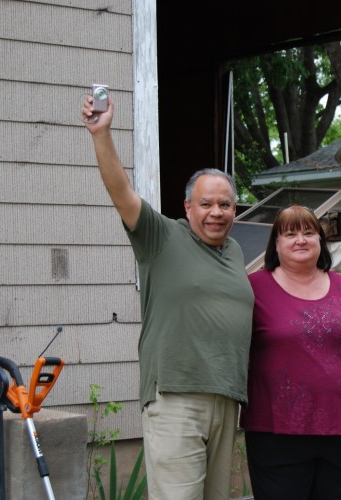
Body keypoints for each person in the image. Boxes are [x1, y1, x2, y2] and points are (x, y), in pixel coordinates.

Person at [82, 95, 254, 499]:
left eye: (225, 204)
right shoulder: (161, 236)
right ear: (187, 207)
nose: (217, 212)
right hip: (176, 396)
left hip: (226, 398)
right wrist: (102, 133)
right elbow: (120, 190)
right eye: (206, 203)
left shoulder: (235, 251)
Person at [242, 205, 341, 500]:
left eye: (309, 232)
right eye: (290, 233)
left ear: (321, 241)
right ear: (276, 244)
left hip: (338, 429)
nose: (301, 240)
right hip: (275, 431)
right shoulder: (254, 287)